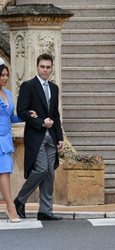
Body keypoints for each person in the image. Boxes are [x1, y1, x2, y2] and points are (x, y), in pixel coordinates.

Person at [14, 53, 64, 221]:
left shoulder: (54, 88)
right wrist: (41, 122)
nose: (45, 70)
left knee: (50, 173)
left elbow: (55, 115)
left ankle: (45, 211)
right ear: (37, 67)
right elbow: (21, 110)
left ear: (51, 68)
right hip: (36, 136)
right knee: (41, 169)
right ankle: (19, 200)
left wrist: (60, 138)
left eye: (48, 67)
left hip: (51, 137)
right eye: (42, 67)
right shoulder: (28, 86)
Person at [0, 59, 36, 223]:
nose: (5, 78)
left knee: (5, 172)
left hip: (5, 139)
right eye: (2, 75)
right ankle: (10, 207)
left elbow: (12, 117)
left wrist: (27, 115)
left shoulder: (7, 93)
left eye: (7, 75)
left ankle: (10, 206)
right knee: (4, 172)